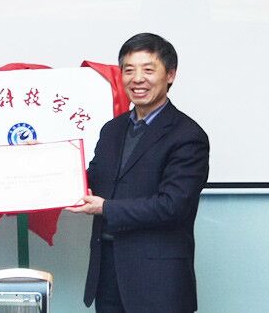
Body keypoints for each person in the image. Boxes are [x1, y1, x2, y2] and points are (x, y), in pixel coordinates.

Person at [67, 33, 209, 313]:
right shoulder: (112, 129)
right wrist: (43, 163)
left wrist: (106, 208)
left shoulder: (187, 135)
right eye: (129, 70)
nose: (137, 79)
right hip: (108, 274)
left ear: (170, 75)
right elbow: (93, 179)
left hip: (157, 282)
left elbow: (173, 206)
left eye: (148, 70)